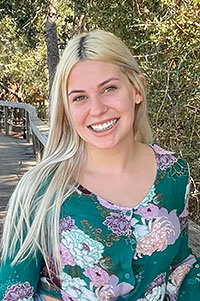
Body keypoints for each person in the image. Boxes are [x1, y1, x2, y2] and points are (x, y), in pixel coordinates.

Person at [0, 30, 199, 301]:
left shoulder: (173, 172)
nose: (97, 109)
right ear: (67, 109)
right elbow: (13, 292)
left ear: (137, 90)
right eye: (79, 97)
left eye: (109, 89)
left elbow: (181, 266)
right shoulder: (40, 190)